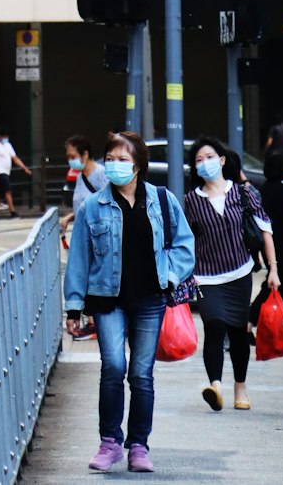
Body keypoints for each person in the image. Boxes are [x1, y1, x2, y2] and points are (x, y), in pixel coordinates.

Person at [64, 131, 195, 474]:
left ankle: (138, 445)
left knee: (141, 374)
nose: (115, 165)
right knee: (113, 368)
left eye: (123, 159)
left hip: (150, 299)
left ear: (138, 164)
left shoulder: (161, 200)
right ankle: (110, 443)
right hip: (108, 300)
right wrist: (74, 307)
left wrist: (169, 275)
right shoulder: (93, 207)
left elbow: (184, 246)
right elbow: (79, 258)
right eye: (111, 159)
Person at [184, 136, 278, 413]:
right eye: (199, 160)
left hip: (240, 272)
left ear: (222, 161)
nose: (205, 163)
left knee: (238, 332)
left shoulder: (243, 193)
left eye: (210, 157)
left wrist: (273, 268)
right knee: (213, 326)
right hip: (207, 277)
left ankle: (240, 386)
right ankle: (215, 385)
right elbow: (184, 240)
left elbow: (265, 229)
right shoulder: (191, 201)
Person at [249, 149, 283, 331]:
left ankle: (260, 322)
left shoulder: (263, 190)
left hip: (266, 244)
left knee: (276, 282)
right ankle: (251, 320)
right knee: (278, 283)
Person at [60, 133, 108, 236]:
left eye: (73, 157)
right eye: (68, 157)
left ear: (85, 154)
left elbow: (108, 204)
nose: (70, 161)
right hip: (83, 233)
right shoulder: (80, 177)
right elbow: (83, 206)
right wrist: (69, 217)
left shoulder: (101, 173)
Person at [0, 127, 32, 218]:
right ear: (0, 137)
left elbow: (15, 158)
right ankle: (12, 211)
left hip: (6, 172)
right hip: (0, 172)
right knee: (7, 191)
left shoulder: (8, 145)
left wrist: (24, 168)